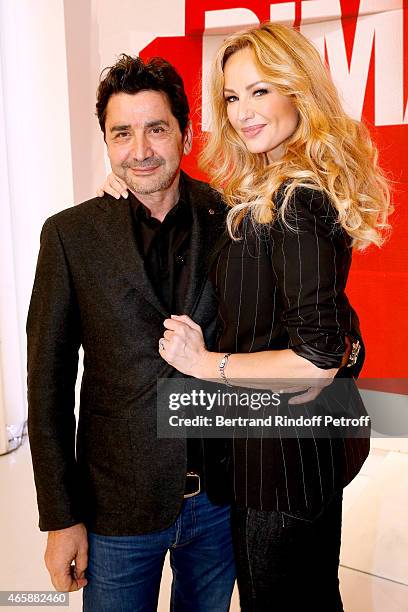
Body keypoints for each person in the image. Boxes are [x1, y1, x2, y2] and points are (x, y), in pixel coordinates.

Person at [103, 23, 391, 611]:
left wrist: (206, 363)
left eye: (261, 91)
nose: (243, 112)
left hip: (281, 461)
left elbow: (312, 360)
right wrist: (136, 182)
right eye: (233, 97)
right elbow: (323, 322)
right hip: (281, 450)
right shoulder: (272, 188)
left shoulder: (297, 199)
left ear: (298, 91)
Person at [27, 55, 236, 612]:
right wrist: (61, 517)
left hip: (219, 501)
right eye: (123, 133)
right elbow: (47, 388)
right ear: (106, 141)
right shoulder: (71, 236)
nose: (140, 150)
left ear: (186, 135)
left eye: (157, 129)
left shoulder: (233, 220)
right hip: (116, 507)